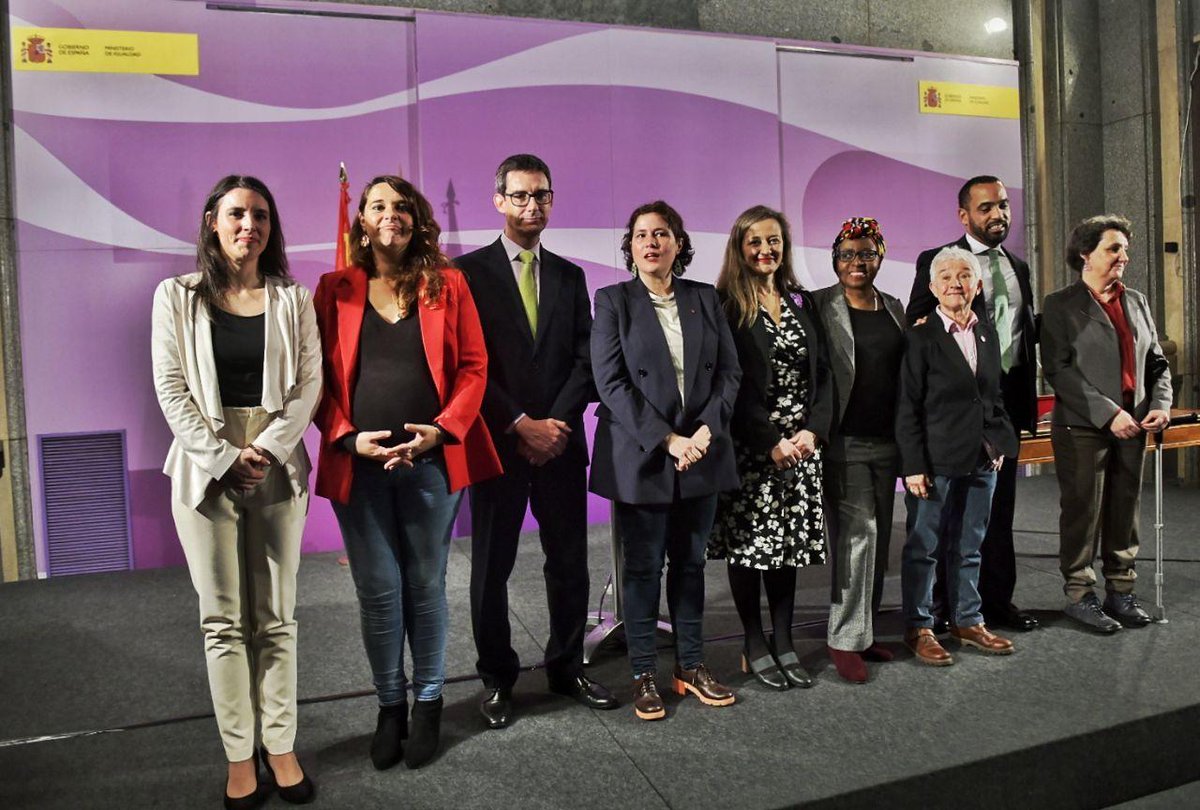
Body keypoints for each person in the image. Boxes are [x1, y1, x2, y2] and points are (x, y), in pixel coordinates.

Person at [313, 175, 501, 770]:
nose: (389, 213)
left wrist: (442, 431)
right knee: (377, 592)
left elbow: (474, 367)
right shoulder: (333, 288)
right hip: (359, 466)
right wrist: (348, 437)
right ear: (361, 221)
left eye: (401, 206)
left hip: (431, 464)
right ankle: (390, 706)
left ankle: (429, 702)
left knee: (425, 586)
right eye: (377, 205)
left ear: (416, 219)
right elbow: (312, 379)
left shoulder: (448, 283)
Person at [151, 175, 320, 809]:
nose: (249, 225)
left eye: (261, 215)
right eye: (237, 214)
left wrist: (266, 450)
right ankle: (239, 756)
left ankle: (281, 746)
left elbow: (308, 385)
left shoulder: (293, 299)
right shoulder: (175, 296)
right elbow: (171, 388)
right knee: (222, 621)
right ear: (212, 222)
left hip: (277, 463)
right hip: (204, 469)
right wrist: (224, 458)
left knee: (277, 618)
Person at [455, 154, 617, 728]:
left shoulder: (570, 276)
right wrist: (520, 422)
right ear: (498, 200)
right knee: (491, 568)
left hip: (561, 444)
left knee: (569, 562)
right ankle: (497, 680)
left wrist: (554, 425)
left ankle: (566, 667)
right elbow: (467, 362)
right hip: (499, 443)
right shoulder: (466, 273)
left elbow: (585, 359)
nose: (532, 205)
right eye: (520, 195)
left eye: (541, 195)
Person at [590, 200, 741, 720]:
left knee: (691, 564)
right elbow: (611, 383)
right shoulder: (613, 301)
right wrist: (669, 440)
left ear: (679, 243)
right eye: (641, 235)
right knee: (642, 568)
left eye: (661, 234)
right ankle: (643, 674)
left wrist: (704, 431)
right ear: (630, 247)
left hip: (702, 450)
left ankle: (691, 665)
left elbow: (729, 374)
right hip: (644, 454)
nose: (651, 243)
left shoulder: (705, 298)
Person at [906, 176, 1039, 634]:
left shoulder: (1018, 267)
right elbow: (918, 327)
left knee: (995, 515)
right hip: (951, 415)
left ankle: (994, 603)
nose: (998, 214)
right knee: (945, 521)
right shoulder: (940, 262)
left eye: (1003, 205)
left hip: (1001, 411)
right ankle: (940, 608)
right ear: (964, 215)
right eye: (986, 208)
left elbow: (1022, 334)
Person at [710, 205, 831, 691]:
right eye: (755, 241)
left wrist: (814, 431)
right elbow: (730, 385)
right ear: (740, 248)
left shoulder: (802, 300)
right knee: (749, 550)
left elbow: (824, 374)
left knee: (788, 549)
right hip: (753, 449)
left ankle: (784, 640)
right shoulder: (726, 305)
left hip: (801, 449)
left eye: (774, 240)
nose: (766, 250)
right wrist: (769, 441)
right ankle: (754, 642)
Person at [1041, 215, 1172, 633]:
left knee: (1124, 510)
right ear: (1086, 254)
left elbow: (1157, 361)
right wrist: (1109, 413)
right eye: (1113, 248)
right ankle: (1080, 595)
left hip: (1135, 423)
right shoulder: (1060, 305)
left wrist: (1162, 405)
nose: (1123, 257)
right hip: (1083, 427)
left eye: (1124, 249)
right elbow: (1058, 370)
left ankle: (1121, 590)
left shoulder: (1137, 301)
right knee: (1083, 512)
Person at [897, 247, 1018, 666]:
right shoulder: (919, 337)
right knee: (924, 547)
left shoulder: (987, 333)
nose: (955, 283)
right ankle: (920, 626)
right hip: (935, 463)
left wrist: (997, 443)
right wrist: (913, 466)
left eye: (964, 275)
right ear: (932, 288)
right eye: (946, 277)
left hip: (982, 459)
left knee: (971, 545)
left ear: (977, 285)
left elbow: (993, 397)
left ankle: (968, 619)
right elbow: (907, 407)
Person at [813, 217, 905, 684]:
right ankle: (843, 639)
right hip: (843, 442)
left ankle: (864, 633)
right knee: (858, 535)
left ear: (880, 258)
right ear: (835, 260)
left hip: (888, 441)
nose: (857, 262)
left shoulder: (894, 307)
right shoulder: (818, 306)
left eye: (866, 253)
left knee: (880, 539)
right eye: (848, 254)